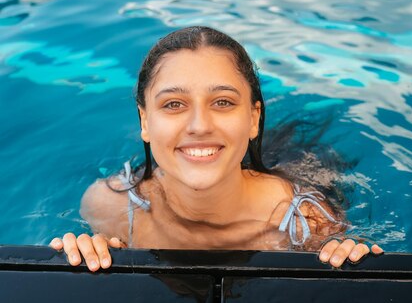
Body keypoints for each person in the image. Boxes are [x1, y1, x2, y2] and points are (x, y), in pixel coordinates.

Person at [50, 26, 383, 271]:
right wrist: (88, 255)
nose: (199, 125)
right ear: (145, 120)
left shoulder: (302, 221)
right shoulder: (111, 207)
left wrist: (348, 253)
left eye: (223, 102)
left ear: (254, 118)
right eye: (174, 104)